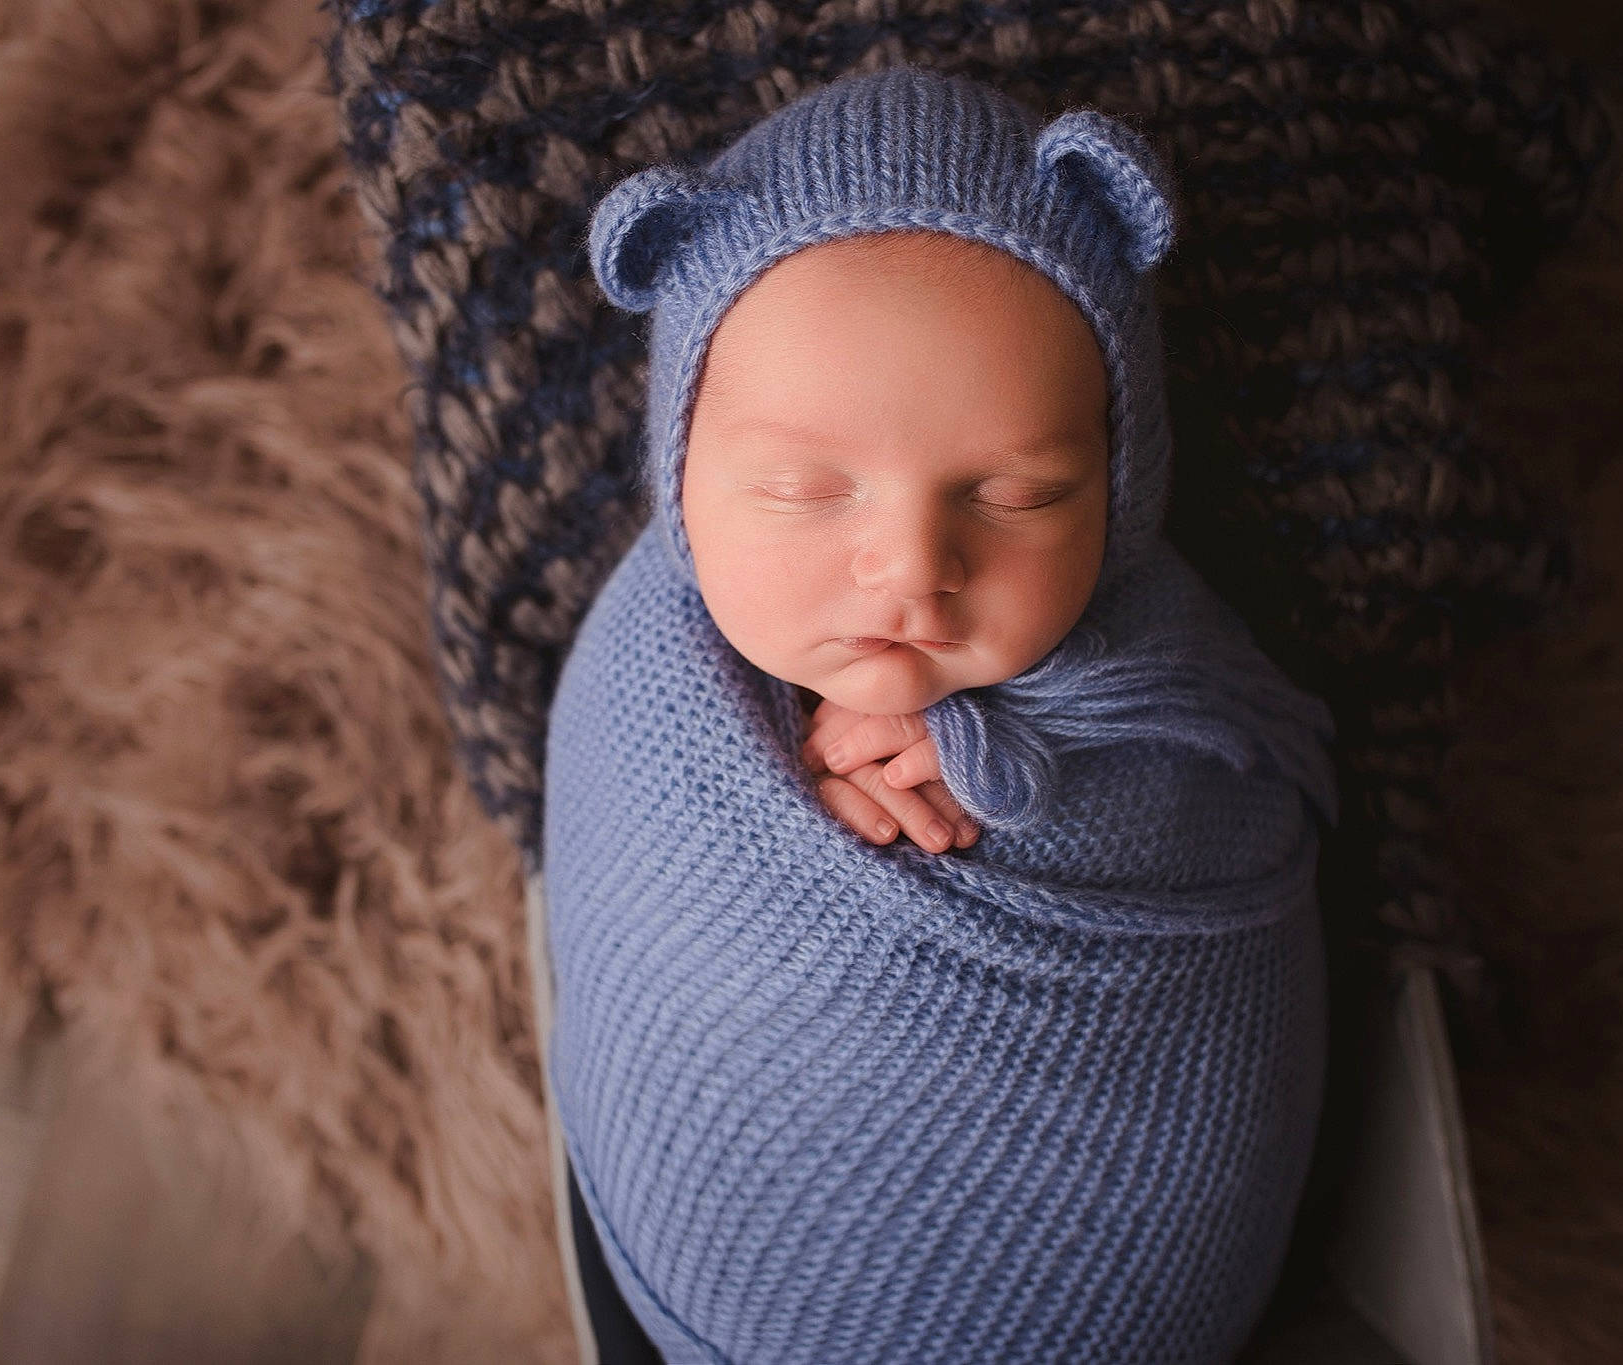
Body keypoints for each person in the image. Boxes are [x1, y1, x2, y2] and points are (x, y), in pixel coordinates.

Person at [542, 65, 1339, 1363]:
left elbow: (1271, 774)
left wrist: (1049, 760)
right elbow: (615, 859)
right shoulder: (648, 659)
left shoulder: (1183, 687)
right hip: (690, 1294)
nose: (914, 567)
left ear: (1123, 484)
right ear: (682, 474)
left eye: (1019, 495)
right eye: (805, 488)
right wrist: (781, 805)